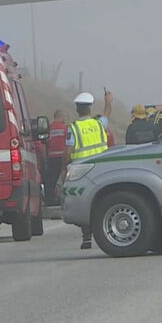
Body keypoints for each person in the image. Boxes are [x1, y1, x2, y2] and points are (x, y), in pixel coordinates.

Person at [62, 90, 114, 249]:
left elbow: (67, 151)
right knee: (102, 199)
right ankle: (108, 233)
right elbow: (106, 113)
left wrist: (64, 168)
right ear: (90, 108)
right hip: (102, 167)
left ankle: (87, 237)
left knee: (84, 200)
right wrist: (108, 101)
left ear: (77, 109)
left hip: (82, 170)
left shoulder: (74, 128)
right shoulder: (99, 124)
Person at [43, 110, 68, 205]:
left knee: (50, 180)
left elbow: (44, 145)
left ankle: (49, 200)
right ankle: (65, 199)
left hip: (52, 158)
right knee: (65, 179)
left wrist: (45, 159)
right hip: (63, 157)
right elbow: (69, 144)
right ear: (61, 116)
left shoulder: (49, 128)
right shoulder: (65, 128)